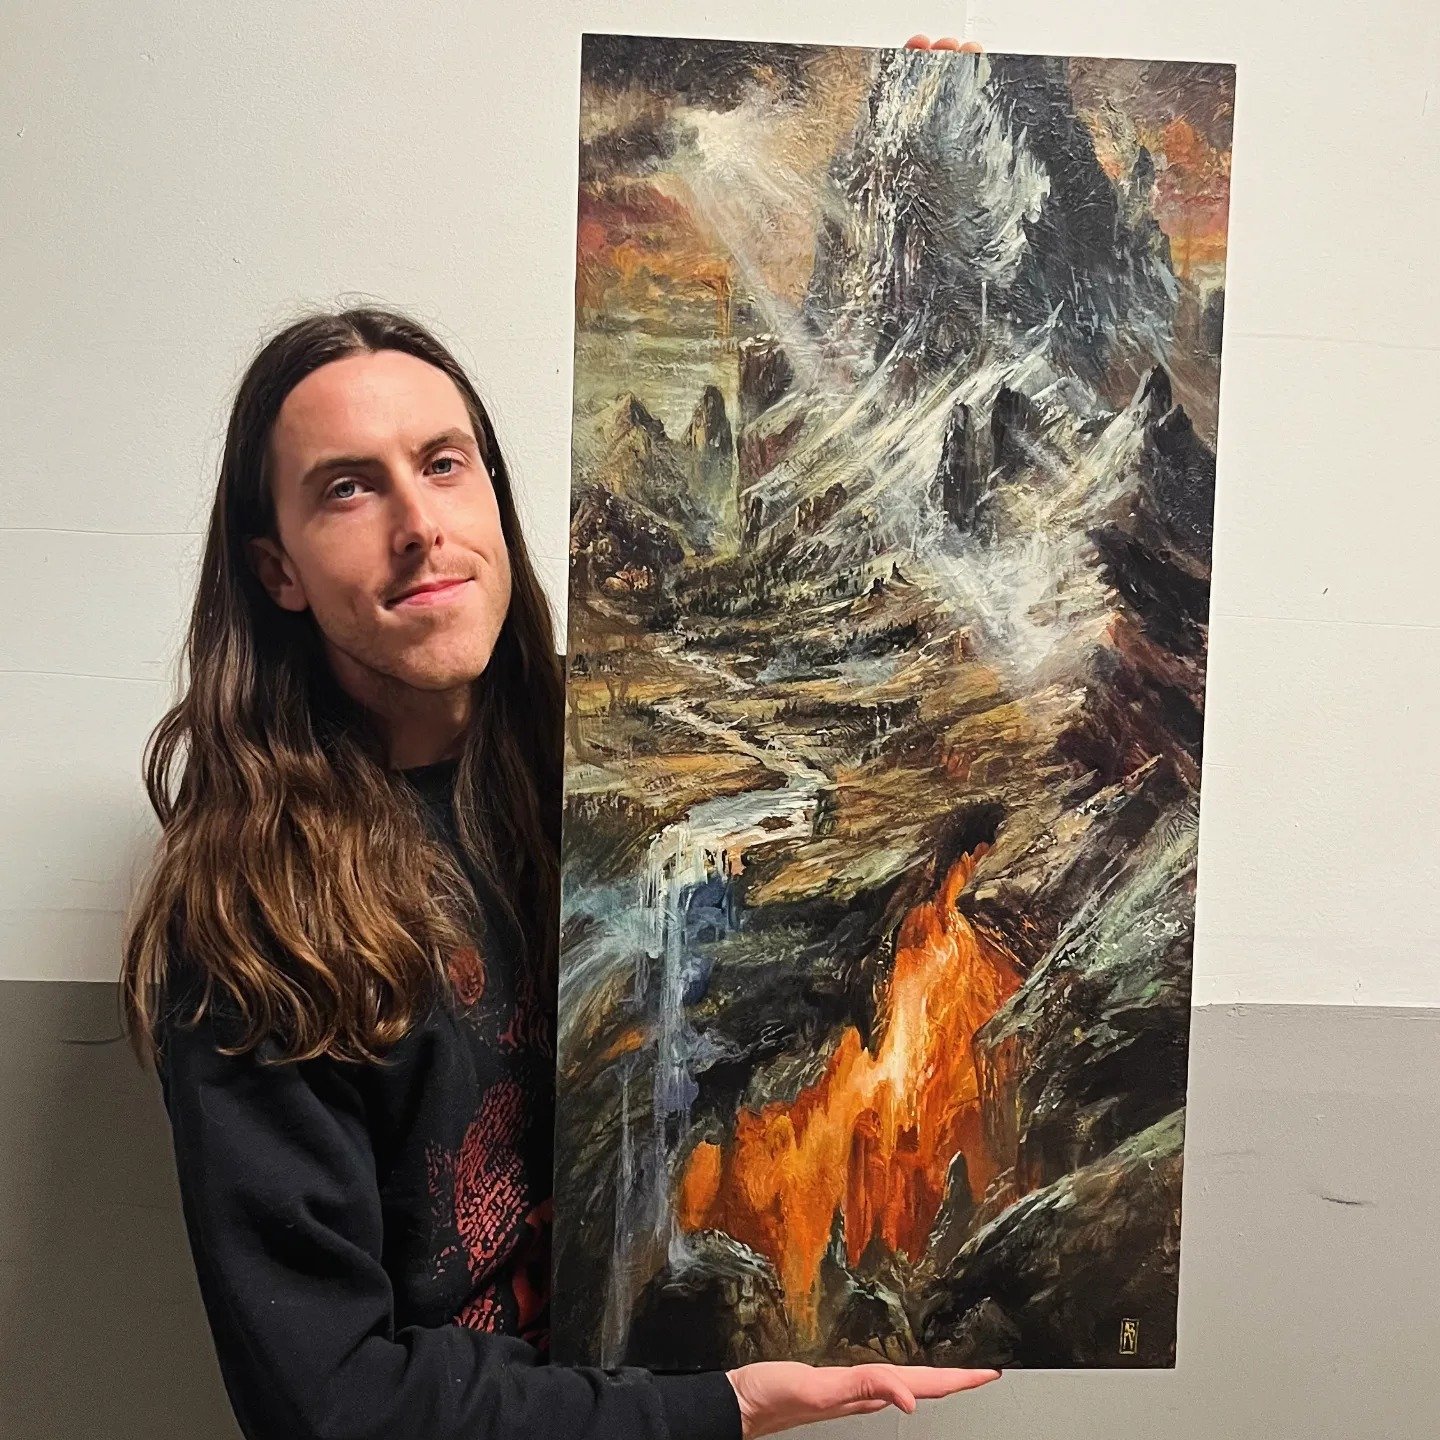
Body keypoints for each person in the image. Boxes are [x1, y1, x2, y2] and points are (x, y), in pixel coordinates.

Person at [120, 35, 999, 1440]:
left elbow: (920, 686)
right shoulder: (252, 921)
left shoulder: (615, 762)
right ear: (276, 568)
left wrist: (934, 120)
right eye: (347, 489)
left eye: (443, 463)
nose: (419, 526)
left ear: (495, 494)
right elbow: (330, 1405)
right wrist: (714, 1411)